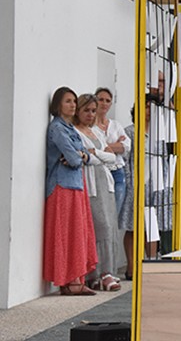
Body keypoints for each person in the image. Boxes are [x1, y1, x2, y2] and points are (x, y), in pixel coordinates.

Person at [43, 87, 98, 296]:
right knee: (66, 233)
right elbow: (76, 158)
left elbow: (86, 156)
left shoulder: (71, 129)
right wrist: (80, 157)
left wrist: (81, 156)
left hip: (76, 186)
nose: (73, 105)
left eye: (74, 101)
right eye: (68, 101)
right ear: (58, 104)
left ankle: (74, 279)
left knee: (77, 233)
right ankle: (69, 280)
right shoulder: (57, 128)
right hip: (62, 186)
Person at [74, 94, 121, 291]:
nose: (90, 114)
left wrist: (96, 154)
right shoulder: (75, 132)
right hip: (90, 182)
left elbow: (112, 158)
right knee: (97, 226)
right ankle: (97, 272)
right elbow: (84, 157)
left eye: (93, 111)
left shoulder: (95, 132)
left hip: (105, 182)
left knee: (109, 226)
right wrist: (96, 156)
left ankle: (107, 271)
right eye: (86, 110)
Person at [120, 95, 164, 281]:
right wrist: (130, 183)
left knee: (152, 228)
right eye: (146, 107)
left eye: (152, 108)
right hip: (136, 184)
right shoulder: (130, 132)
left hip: (154, 185)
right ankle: (131, 267)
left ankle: (151, 263)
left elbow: (163, 161)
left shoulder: (159, 134)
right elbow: (125, 160)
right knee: (132, 227)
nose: (149, 111)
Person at [93, 88, 130, 215]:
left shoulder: (115, 125)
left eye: (107, 100)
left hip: (118, 172)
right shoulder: (89, 126)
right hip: (99, 172)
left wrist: (105, 146)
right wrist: (115, 145)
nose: (104, 103)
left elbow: (127, 146)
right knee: (101, 214)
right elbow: (93, 149)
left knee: (114, 213)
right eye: (101, 99)